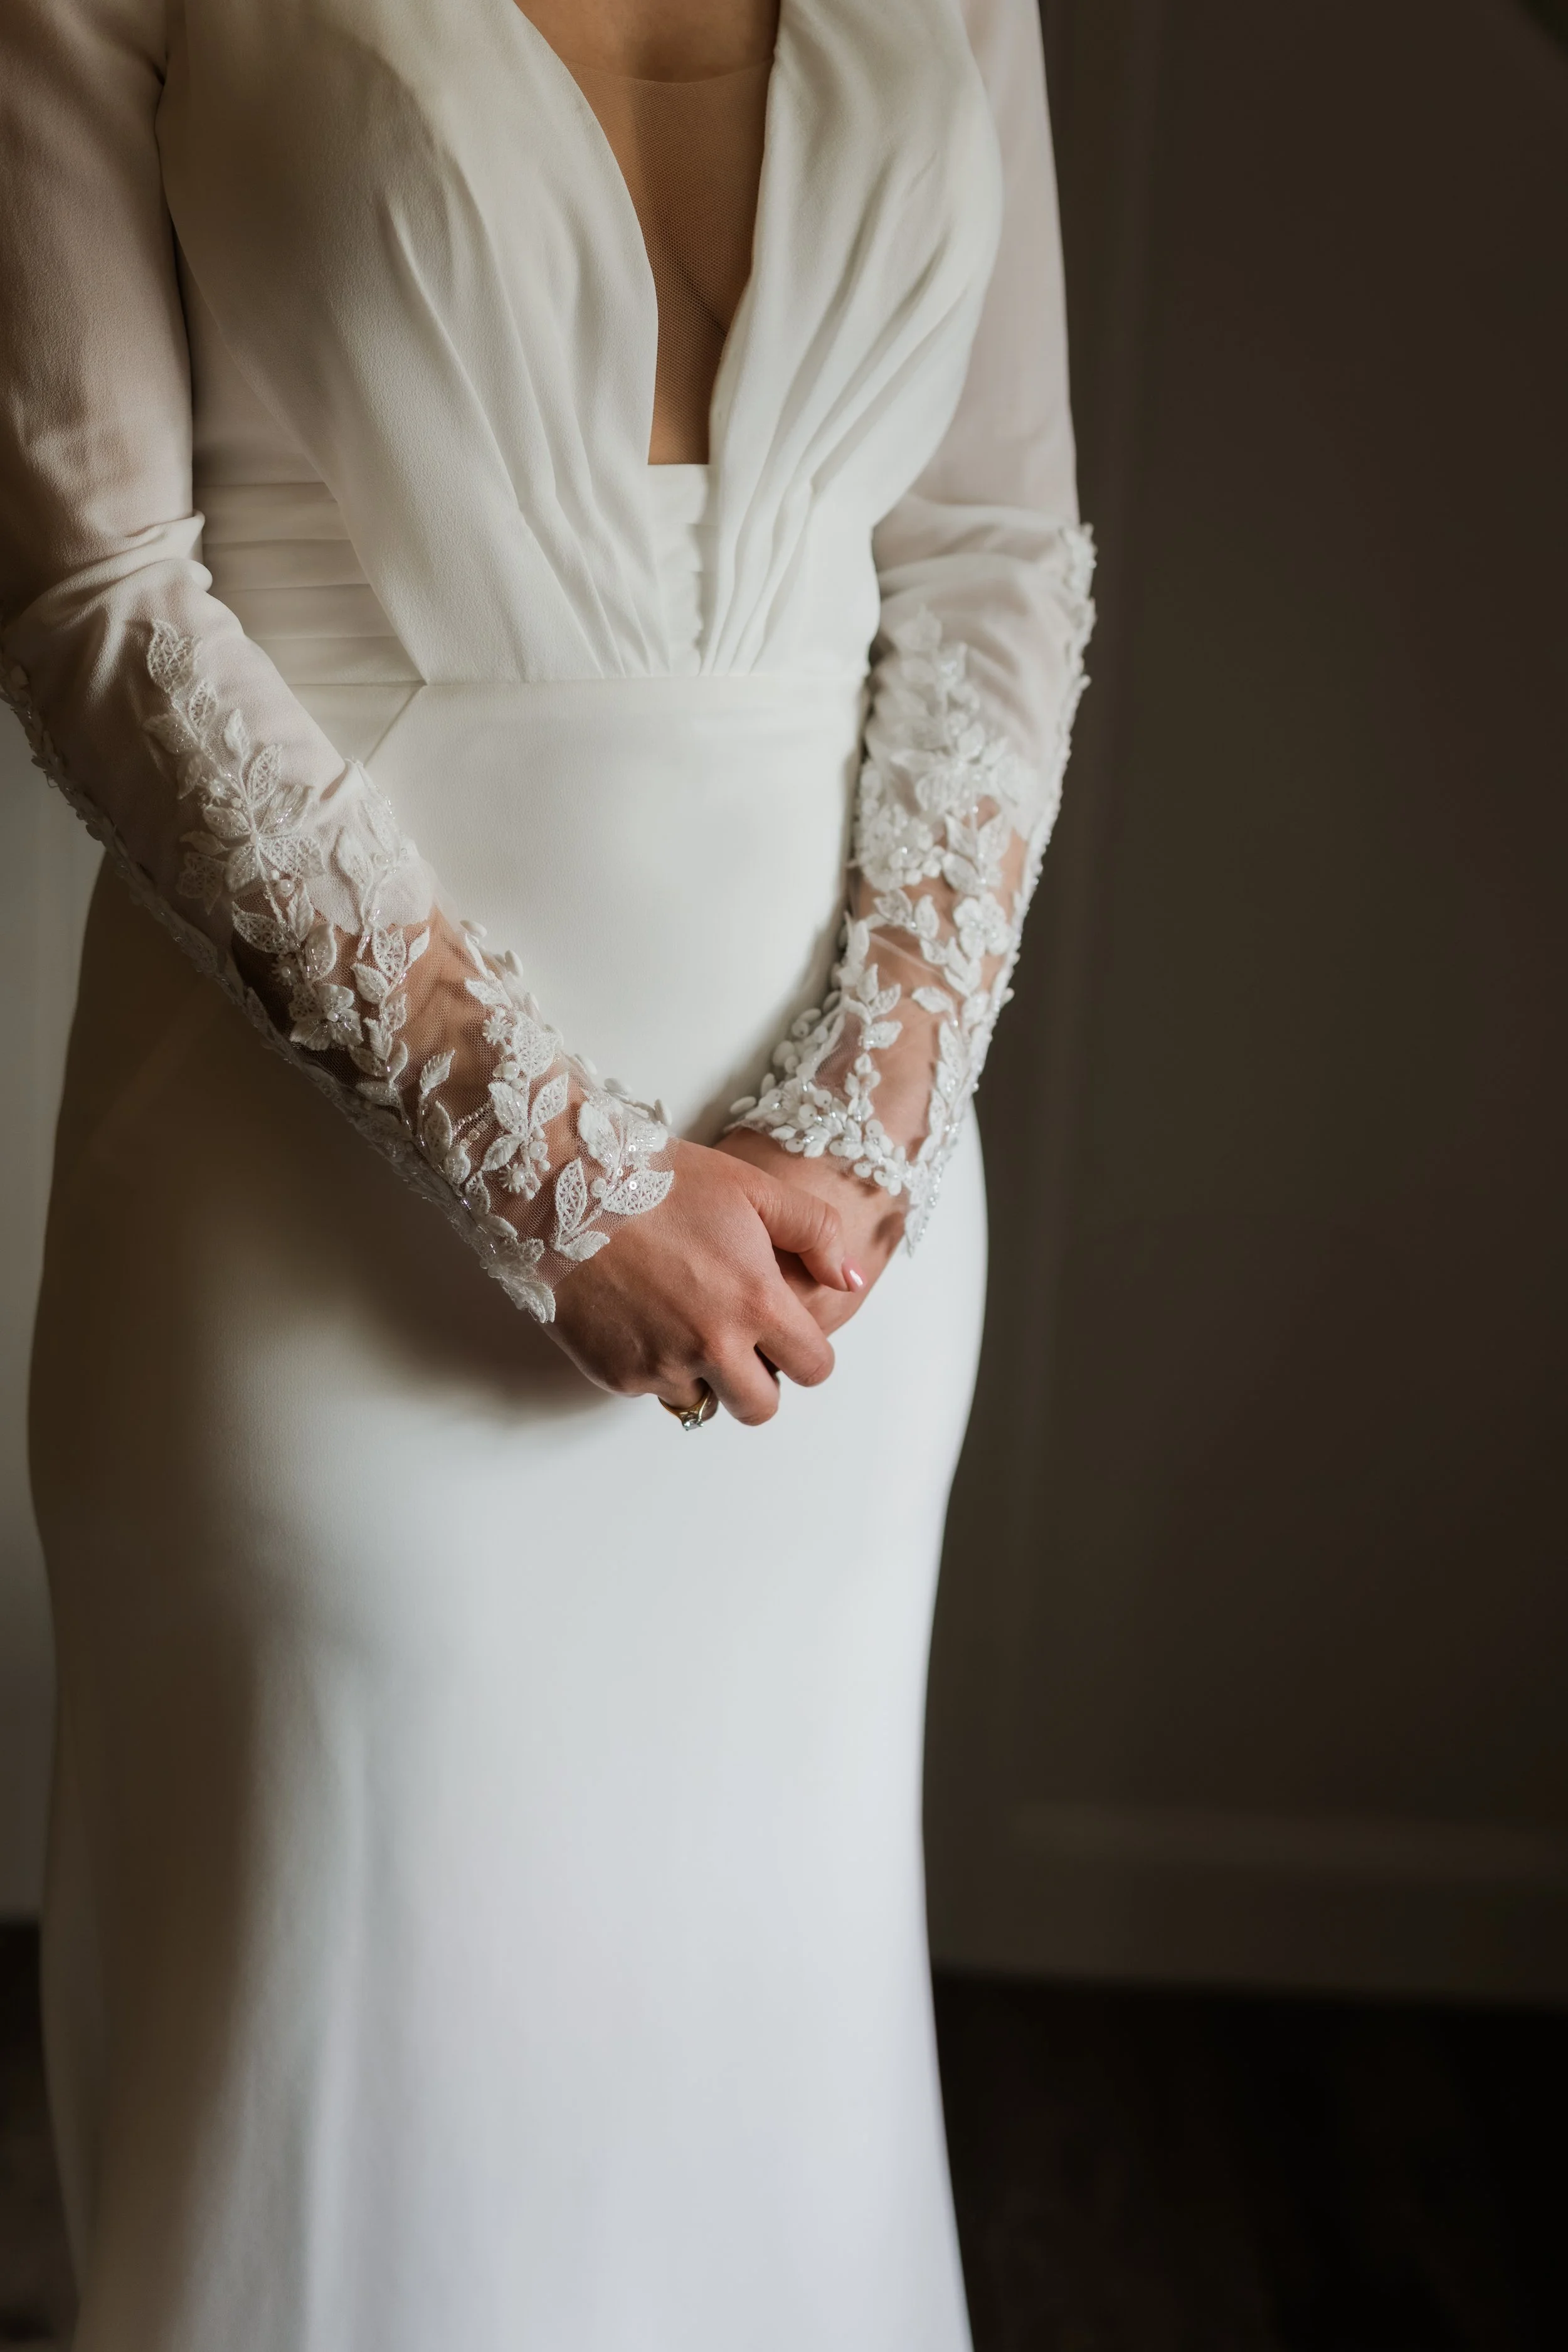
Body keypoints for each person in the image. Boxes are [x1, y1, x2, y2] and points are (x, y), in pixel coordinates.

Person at [0, 0, 1093, 2341]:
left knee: (747, 2074)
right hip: (315, 1214)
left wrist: (863, 1108)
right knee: (341, 2093)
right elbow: (91, 585)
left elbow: (995, 554)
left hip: (842, 1251)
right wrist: (554, 1171)